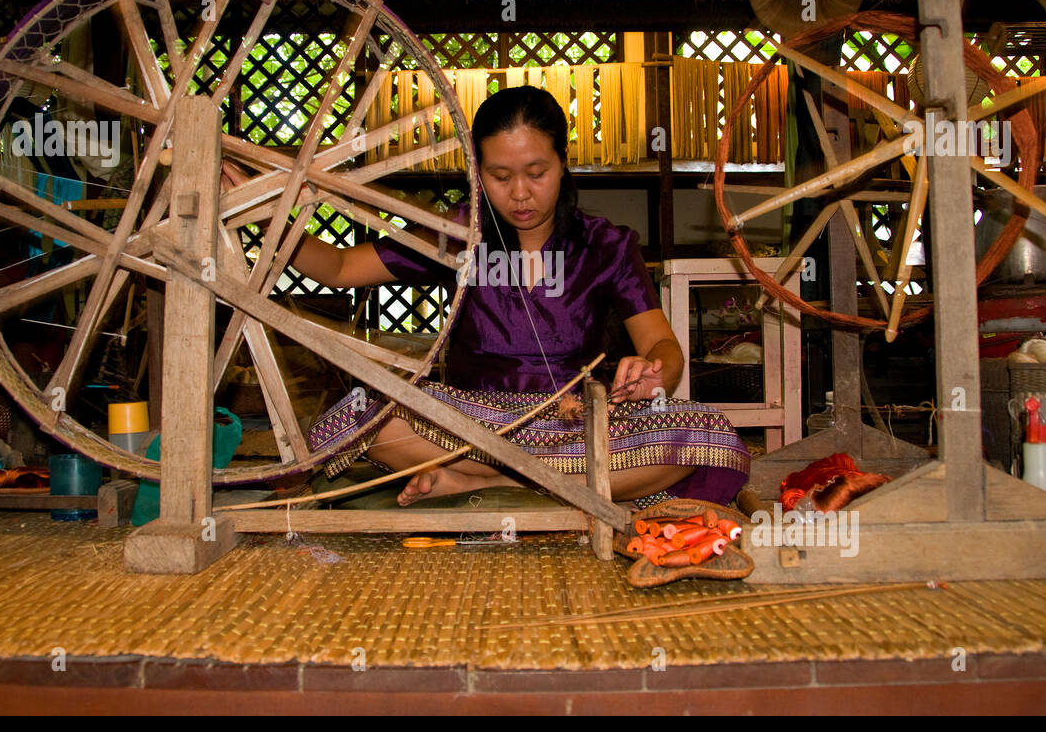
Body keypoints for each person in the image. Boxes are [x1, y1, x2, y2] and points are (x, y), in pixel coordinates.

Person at [301, 85, 750, 508]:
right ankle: (561, 484)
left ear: (563, 162)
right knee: (367, 414)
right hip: (471, 426)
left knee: (709, 433)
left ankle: (492, 481)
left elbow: (661, 345)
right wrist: (262, 216)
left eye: (537, 173)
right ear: (478, 172)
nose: (520, 194)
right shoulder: (459, 234)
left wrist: (655, 372)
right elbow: (341, 268)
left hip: (576, 424)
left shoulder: (606, 245)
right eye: (499, 176)